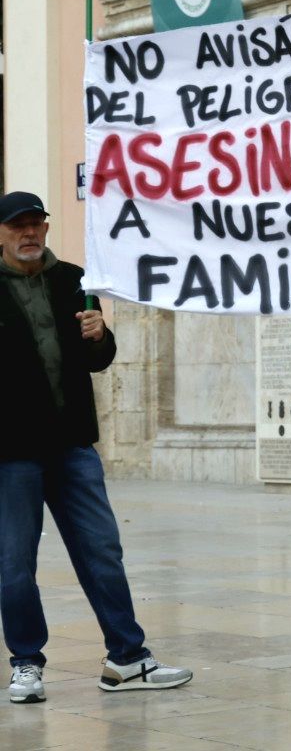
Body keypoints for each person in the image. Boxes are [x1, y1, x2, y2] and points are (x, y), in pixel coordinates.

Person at [0, 191, 193, 706]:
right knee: (15, 564)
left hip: (72, 447)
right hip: (11, 453)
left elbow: (99, 360)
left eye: (36, 224)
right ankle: (26, 662)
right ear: (1, 233)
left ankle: (127, 657)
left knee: (102, 550)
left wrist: (98, 334)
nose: (29, 234)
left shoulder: (73, 280)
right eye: (18, 226)